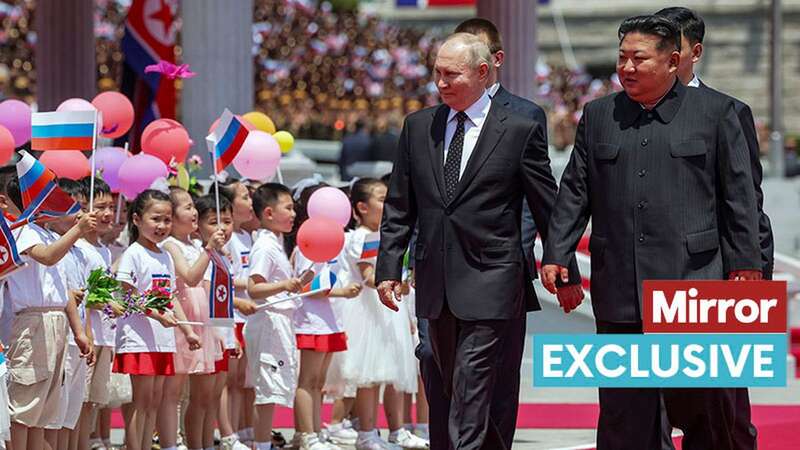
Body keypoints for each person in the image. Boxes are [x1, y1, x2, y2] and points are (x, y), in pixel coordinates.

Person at [541, 15, 762, 450]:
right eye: (621, 57)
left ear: (672, 60)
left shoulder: (718, 114)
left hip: (694, 290)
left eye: (638, 58)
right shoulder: (600, 115)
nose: (626, 67)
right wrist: (557, 253)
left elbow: (740, 200)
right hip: (621, 290)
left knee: (706, 414)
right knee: (626, 416)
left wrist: (747, 269)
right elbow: (575, 191)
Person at [375, 33, 580, 450]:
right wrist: (389, 269)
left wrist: (565, 267)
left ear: (483, 73)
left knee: (472, 382)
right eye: (437, 74)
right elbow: (399, 205)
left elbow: (547, 205)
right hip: (435, 281)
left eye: (452, 74)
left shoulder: (519, 127)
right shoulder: (419, 127)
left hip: (493, 278)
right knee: (444, 382)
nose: (441, 83)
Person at [653, 7, 769, 449]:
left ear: (692, 52)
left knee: (722, 405)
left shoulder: (728, 112)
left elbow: (745, 201)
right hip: (647, 278)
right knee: (651, 405)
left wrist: (749, 272)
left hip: (713, 277)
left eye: (671, 47)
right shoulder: (621, 113)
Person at [4, 177, 97, 450]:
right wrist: (78, 230)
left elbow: (64, 290)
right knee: (24, 405)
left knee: (44, 409)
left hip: (55, 321)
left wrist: (79, 332)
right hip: (32, 321)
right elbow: (46, 256)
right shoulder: (22, 231)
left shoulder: (49, 234)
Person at [339, 178, 427, 450]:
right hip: (371, 314)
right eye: (380, 198)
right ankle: (366, 432)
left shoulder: (388, 234)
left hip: (391, 310)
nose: (386, 203)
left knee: (394, 374)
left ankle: (396, 429)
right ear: (362, 207)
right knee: (370, 375)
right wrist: (394, 282)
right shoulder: (366, 236)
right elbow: (368, 275)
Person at [113, 189, 201, 450]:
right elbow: (126, 296)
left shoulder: (165, 255)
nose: (162, 226)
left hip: (162, 339)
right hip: (139, 339)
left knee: (154, 400)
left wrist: (187, 331)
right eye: (156, 219)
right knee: (141, 401)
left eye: (167, 220)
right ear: (137, 220)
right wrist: (155, 315)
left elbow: (170, 296)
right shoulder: (134, 254)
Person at [162, 187, 228, 450]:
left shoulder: (193, 245)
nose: (193, 212)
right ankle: (172, 442)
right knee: (174, 392)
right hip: (183, 323)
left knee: (203, 394)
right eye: (187, 207)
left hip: (203, 323)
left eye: (193, 206)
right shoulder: (170, 245)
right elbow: (189, 277)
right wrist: (209, 249)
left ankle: (201, 444)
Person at [245, 183, 304, 450]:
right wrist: (284, 286)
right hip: (268, 322)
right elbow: (254, 288)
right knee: (266, 390)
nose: (294, 213)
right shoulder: (264, 247)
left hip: (280, 321)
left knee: (273, 389)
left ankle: (263, 442)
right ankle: (261, 444)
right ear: (269, 212)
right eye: (289, 208)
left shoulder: (276, 243)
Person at [73, 176, 119, 450]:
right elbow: (83, 295)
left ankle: (87, 442)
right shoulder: (79, 247)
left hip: (105, 334)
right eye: (100, 207)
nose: (107, 214)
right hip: (87, 335)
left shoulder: (103, 249)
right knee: (79, 400)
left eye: (111, 207)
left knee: (92, 400)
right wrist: (105, 303)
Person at [219, 179, 259, 450]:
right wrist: (254, 285)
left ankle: (243, 430)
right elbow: (226, 279)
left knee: (243, 381)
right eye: (245, 197)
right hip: (232, 314)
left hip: (250, 315)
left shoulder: (247, 236)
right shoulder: (227, 239)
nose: (251, 202)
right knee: (229, 380)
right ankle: (227, 433)